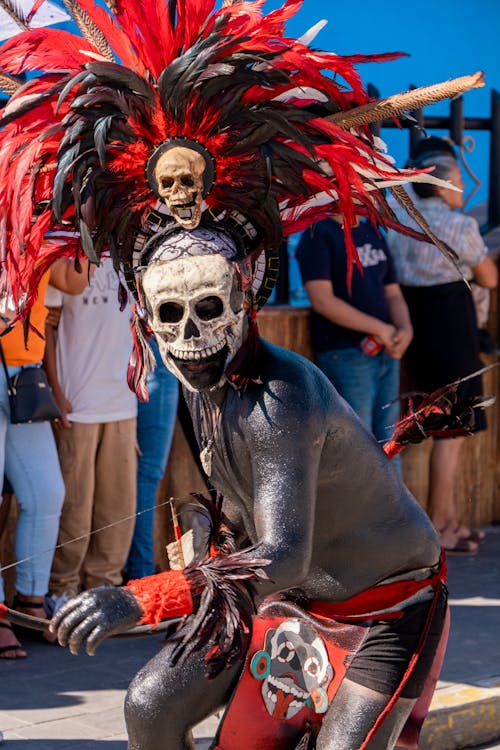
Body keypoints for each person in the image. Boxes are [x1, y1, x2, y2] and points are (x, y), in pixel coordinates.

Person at [0, 0, 478, 744]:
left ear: (248, 292)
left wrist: (143, 599)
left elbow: (283, 554)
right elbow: (208, 495)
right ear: (148, 318)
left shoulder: (280, 395)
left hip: (386, 607)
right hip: (274, 599)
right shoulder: (201, 388)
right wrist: (195, 526)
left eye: (207, 307)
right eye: (171, 316)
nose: (191, 338)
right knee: (150, 707)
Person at [385, 141, 498, 555]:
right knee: (452, 431)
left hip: (419, 326)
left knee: (448, 426)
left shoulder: (400, 222)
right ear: (446, 182)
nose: (463, 189)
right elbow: (489, 278)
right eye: (459, 182)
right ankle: (438, 526)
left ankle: (449, 520)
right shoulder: (458, 226)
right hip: (452, 326)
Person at [0, 258, 89, 658]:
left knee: (47, 494)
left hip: (25, 375)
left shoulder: (34, 238)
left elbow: (74, 282)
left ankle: (29, 603)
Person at [44, 256, 138, 606]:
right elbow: (48, 329)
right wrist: (56, 391)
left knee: (118, 506)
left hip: (122, 399)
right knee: (74, 505)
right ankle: (62, 590)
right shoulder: (65, 255)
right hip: (76, 401)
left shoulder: (130, 251)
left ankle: (104, 587)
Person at [296, 216, 413, 455]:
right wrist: (380, 328)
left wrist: (405, 329)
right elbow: (322, 300)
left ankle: (389, 495)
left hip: (386, 351)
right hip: (345, 353)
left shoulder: (373, 230)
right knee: (358, 447)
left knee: (391, 442)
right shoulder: (318, 234)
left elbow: (392, 292)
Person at [125, 338, 179, 580]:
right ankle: (140, 574)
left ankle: (137, 571)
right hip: (150, 349)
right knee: (145, 474)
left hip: (143, 348)